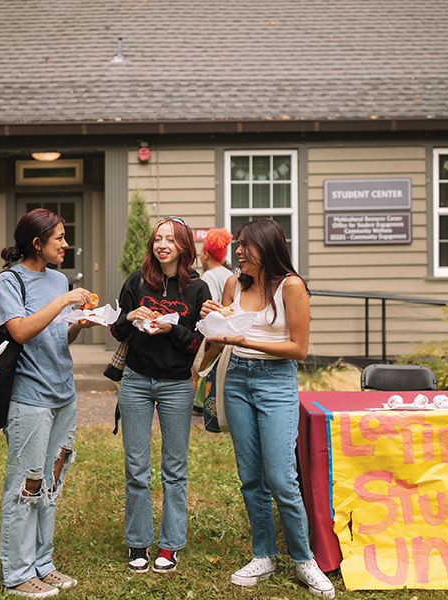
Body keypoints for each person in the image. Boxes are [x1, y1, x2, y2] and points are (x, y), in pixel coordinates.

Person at [200, 218, 335, 598]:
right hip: (237, 379)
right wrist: (211, 323)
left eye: (246, 245)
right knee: (250, 475)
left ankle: (303, 559)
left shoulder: (291, 286)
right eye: (238, 244)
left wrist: (248, 339)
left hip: (276, 381)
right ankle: (264, 554)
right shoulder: (233, 284)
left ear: (268, 247)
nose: (239, 251)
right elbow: (217, 341)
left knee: (281, 477)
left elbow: (300, 349)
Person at [0, 208, 94, 599]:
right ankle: (18, 573)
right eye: (59, 239)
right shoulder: (11, 280)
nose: (66, 245)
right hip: (29, 397)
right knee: (27, 483)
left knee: (51, 482)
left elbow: (56, 337)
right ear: (37, 243)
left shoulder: (58, 279)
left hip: (62, 394)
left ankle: (43, 563)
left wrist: (77, 325)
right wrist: (64, 301)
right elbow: (19, 331)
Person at [109, 216, 210, 574]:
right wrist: (130, 316)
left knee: (174, 468)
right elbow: (117, 330)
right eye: (158, 238)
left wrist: (172, 328)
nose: (162, 244)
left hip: (177, 384)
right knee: (136, 468)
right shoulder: (136, 282)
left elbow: (198, 342)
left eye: (170, 239)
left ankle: (170, 545)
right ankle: (139, 541)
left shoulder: (197, 290)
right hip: (136, 379)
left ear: (184, 246)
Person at [193, 227, 233, 410]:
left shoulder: (209, 276)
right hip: (230, 332)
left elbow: (207, 307)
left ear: (207, 254)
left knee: (194, 372)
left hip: (212, 334)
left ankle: (191, 407)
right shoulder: (229, 274)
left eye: (201, 252)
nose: (200, 257)